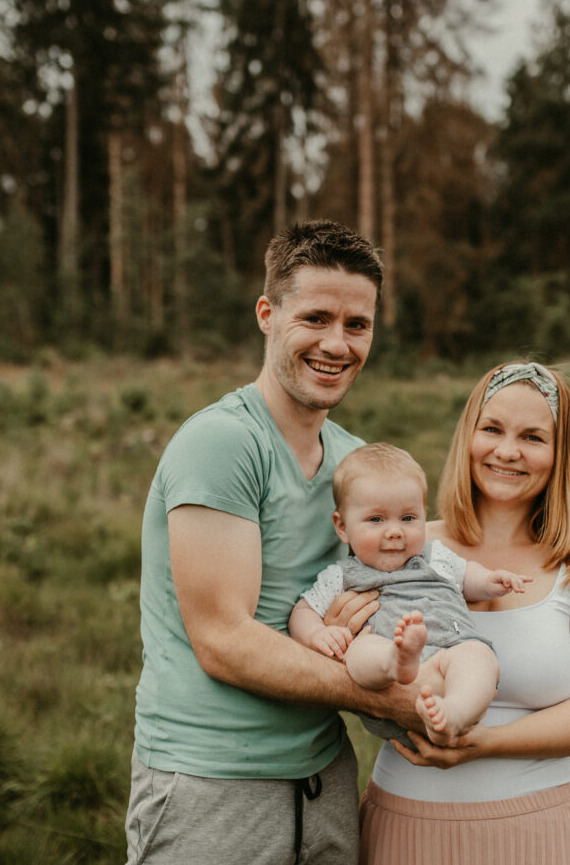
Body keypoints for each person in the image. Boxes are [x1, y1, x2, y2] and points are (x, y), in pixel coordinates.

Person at [126, 220, 421, 865]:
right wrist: (384, 695)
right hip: (213, 788)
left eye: (357, 324)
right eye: (315, 318)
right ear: (267, 313)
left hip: (326, 780)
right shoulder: (222, 444)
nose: (336, 345)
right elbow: (225, 642)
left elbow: (401, 583)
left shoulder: (352, 466)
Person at [353, 361, 570, 864]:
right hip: (406, 825)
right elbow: (345, 651)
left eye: (532, 437)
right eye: (492, 429)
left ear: (560, 454)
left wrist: (487, 742)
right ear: (469, 435)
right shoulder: (405, 544)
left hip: (541, 830)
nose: (507, 451)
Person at [289, 443, 532, 746]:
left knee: (479, 656)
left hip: (449, 647)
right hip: (388, 669)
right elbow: (304, 610)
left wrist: (491, 580)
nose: (394, 532)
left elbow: (467, 575)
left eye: (408, 518)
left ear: (422, 516)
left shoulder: (435, 558)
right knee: (361, 651)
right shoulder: (342, 575)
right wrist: (315, 634)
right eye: (376, 520)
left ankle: (453, 713)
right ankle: (395, 659)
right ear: (342, 527)